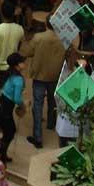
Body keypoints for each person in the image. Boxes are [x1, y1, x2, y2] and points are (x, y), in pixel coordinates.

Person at [23, 16, 66, 148]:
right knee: (53, 102)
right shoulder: (64, 40)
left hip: (40, 75)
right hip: (55, 76)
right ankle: (51, 124)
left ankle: (38, 137)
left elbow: (27, 51)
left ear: (46, 24)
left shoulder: (38, 37)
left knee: (38, 104)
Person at [0, 2, 24, 126]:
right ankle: (6, 118)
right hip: (12, 69)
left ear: (2, 13)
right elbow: (19, 46)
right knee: (8, 95)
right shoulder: (20, 29)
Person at [0, 52, 26, 161]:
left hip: (1, 107)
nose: (24, 63)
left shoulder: (9, 74)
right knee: (9, 133)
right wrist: (23, 106)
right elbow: (17, 98)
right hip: (5, 111)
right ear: (17, 65)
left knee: (8, 133)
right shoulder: (18, 79)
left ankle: (0, 154)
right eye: (22, 62)